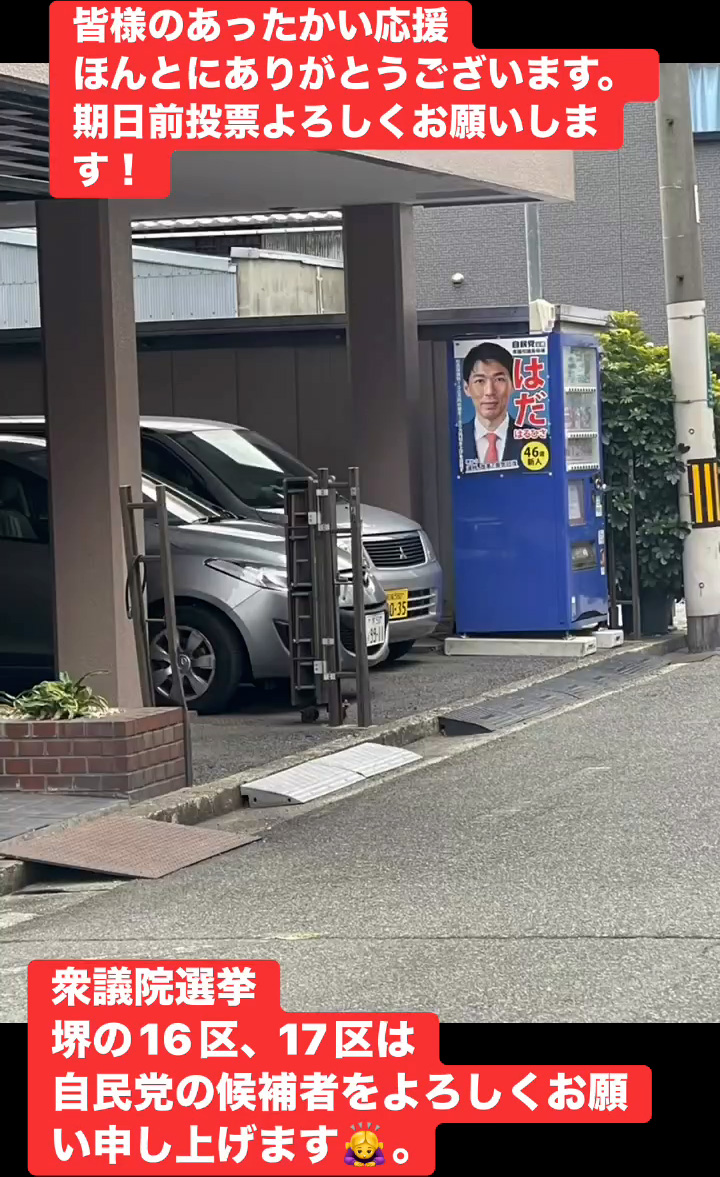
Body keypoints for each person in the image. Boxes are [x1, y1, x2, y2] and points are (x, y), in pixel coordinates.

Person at [460, 341, 524, 469]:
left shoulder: (537, 438)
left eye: (499, 379)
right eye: (480, 381)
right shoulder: (452, 440)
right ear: (466, 388)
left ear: (514, 385)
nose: (489, 391)